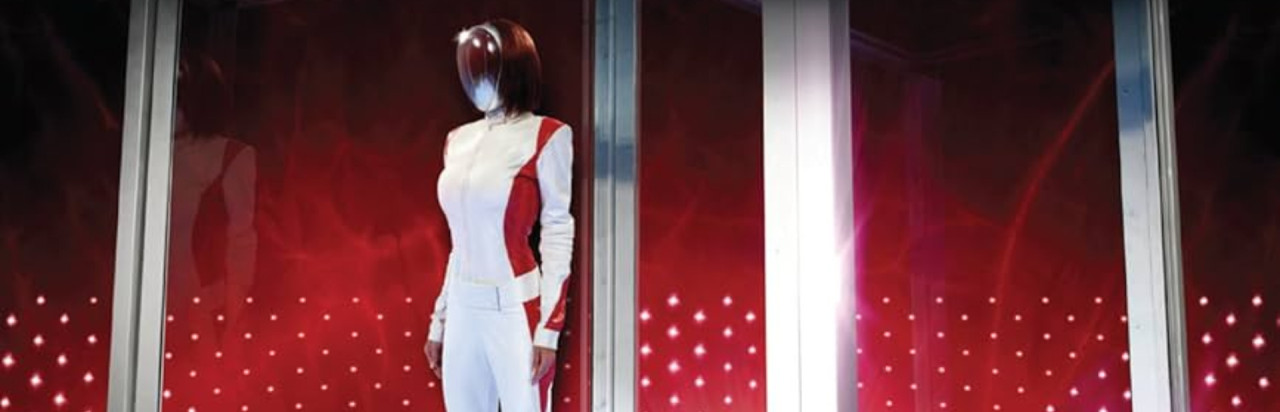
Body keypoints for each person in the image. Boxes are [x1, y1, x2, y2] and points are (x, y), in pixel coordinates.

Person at [423, 18, 575, 412]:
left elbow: (558, 230)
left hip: (514, 306)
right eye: (471, 67)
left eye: (487, 66)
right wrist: (440, 320)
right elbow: (460, 241)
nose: (477, 77)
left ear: (514, 67)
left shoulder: (548, 135)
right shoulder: (457, 140)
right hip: (463, 306)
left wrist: (548, 330)